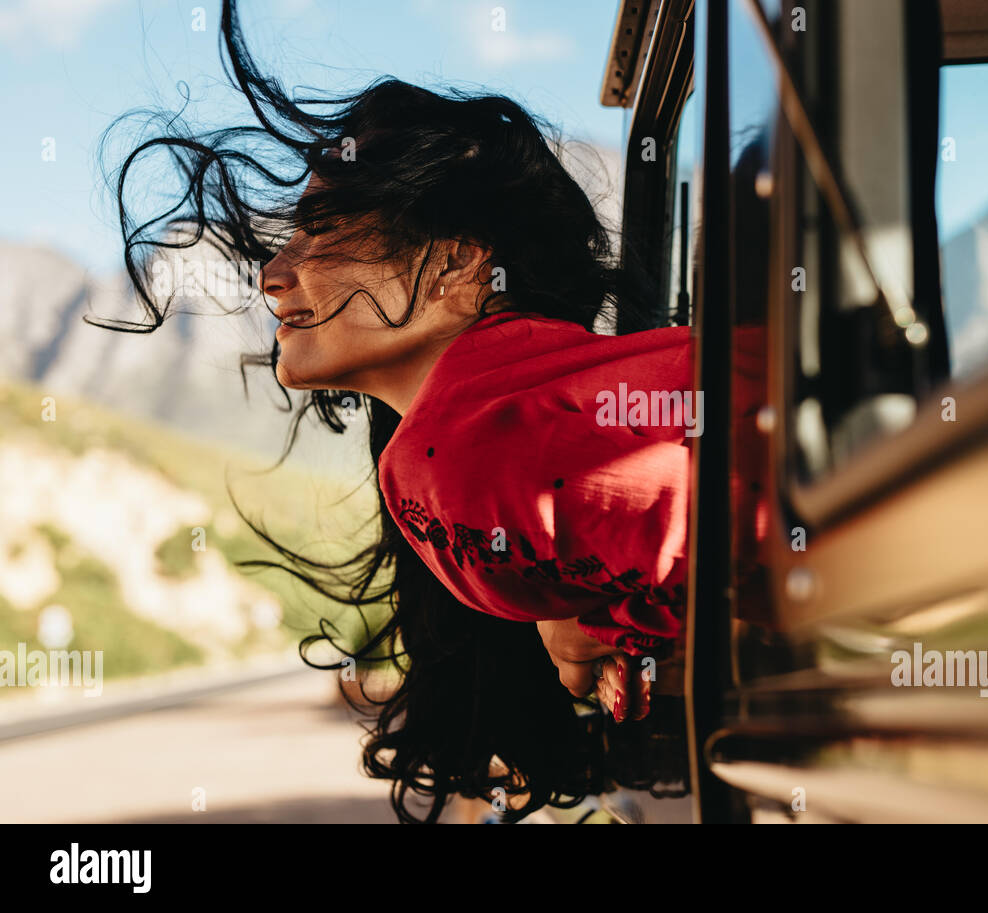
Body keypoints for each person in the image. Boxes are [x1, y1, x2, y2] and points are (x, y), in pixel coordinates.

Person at [99, 0, 690, 822]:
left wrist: (598, 622)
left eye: (324, 229)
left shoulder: (449, 460)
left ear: (455, 261)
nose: (274, 271)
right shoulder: (513, 411)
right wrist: (595, 618)